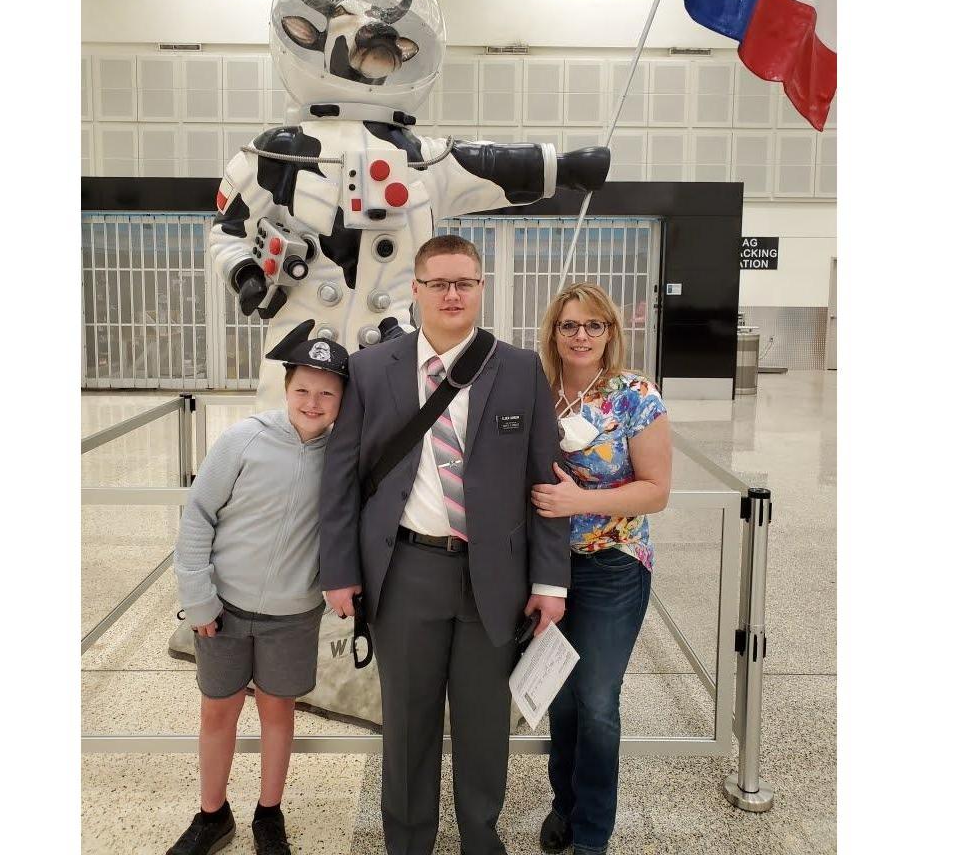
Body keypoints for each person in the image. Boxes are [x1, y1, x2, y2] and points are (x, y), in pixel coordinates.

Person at [319, 234, 570, 855]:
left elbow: (546, 479)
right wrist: (339, 570)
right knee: (407, 724)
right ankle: (408, 844)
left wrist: (550, 582)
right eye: (439, 283)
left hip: (495, 577)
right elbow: (343, 476)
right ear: (417, 289)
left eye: (465, 282)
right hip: (405, 570)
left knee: (485, 726)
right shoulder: (373, 369)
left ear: (482, 288)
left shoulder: (517, 369)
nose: (453, 294)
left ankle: (481, 839)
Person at [168, 335, 351, 855]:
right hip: (222, 609)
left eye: (327, 395)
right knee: (217, 710)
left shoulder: (340, 458)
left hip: (292, 615)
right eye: (304, 390)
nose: (313, 403)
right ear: (286, 387)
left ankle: (268, 812)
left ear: (341, 402)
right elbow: (198, 516)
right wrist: (199, 597)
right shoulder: (243, 439)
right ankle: (212, 813)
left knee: (278, 711)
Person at [529, 284, 672, 855]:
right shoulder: (538, 392)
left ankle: (591, 833)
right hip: (545, 567)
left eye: (593, 325)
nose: (581, 335)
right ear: (554, 334)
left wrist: (579, 503)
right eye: (569, 326)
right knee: (559, 696)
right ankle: (563, 804)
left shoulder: (635, 395)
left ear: (611, 332)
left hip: (614, 565)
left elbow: (656, 492)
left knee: (596, 698)